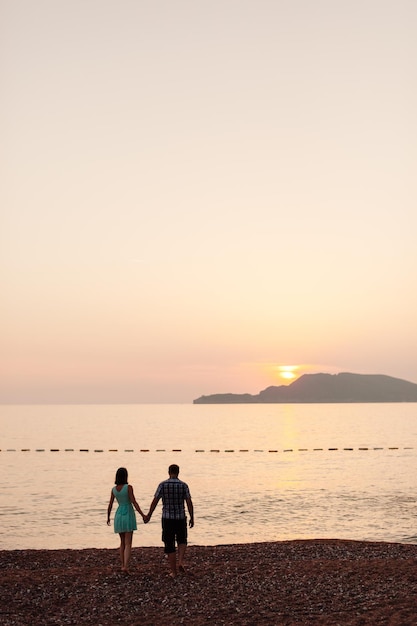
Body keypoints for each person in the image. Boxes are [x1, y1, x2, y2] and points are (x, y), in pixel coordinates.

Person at [144, 464, 194, 578]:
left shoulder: (163, 485)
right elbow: (189, 502)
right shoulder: (183, 485)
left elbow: (155, 501)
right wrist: (192, 517)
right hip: (180, 517)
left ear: (168, 472)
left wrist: (149, 515)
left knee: (169, 544)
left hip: (167, 518)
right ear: (178, 472)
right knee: (182, 540)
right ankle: (180, 561)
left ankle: (174, 572)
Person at [107, 467, 146, 573]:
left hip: (118, 514)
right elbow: (134, 502)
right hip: (128, 513)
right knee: (128, 543)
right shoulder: (128, 487)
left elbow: (110, 504)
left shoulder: (114, 489)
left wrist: (108, 517)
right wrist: (143, 514)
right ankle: (126, 566)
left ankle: (122, 564)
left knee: (122, 542)